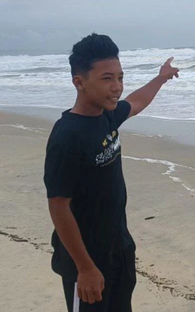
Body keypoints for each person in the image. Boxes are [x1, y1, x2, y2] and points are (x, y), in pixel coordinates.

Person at [44, 33, 179, 312]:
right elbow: (58, 206)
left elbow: (137, 102)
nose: (116, 87)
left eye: (120, 77)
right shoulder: (67, 136)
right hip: (85, 259)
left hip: (119, 247)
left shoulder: (107, 115)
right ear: (79, 82)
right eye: (107, 78)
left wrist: (161, 78)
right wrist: (85, 268)